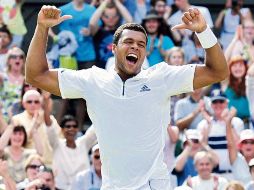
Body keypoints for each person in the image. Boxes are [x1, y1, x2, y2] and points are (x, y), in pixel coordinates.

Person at [25, 5, 228, 189]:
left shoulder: (161, 77)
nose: (135, 47)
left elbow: (217, 72)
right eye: (128, 42)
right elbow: (36, 75)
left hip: (153, 185)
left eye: (141, 44)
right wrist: (42, 28)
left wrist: (203, 31)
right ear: (113, 48)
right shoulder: (93, 79)